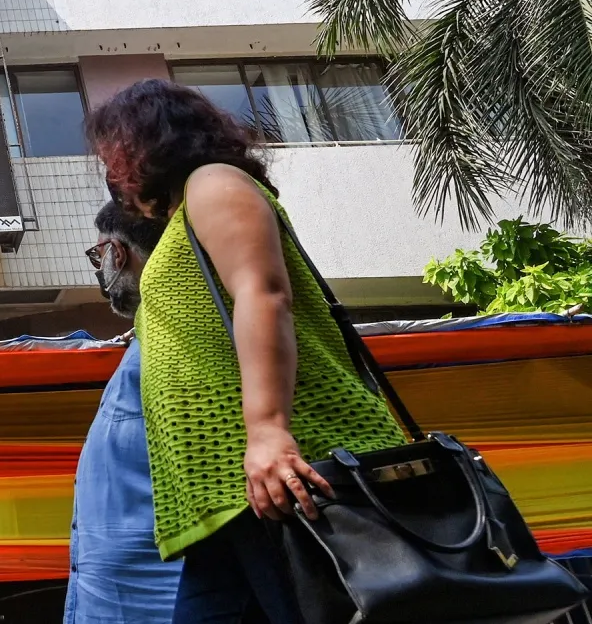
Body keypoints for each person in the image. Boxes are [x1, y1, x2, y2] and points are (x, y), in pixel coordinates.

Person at [87, 79, 407, 624]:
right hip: (222, 498)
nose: (113, 175)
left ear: (144, 143)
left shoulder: (214, 183)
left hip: (281, 476)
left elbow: (264, 294)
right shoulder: (181, 217)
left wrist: (268, 431)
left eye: (112, 156)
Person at [64, 199, 181, 624]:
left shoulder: (179, 330)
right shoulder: (148, 337)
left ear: (117, 252)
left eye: (99, 255)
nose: (101, 270)